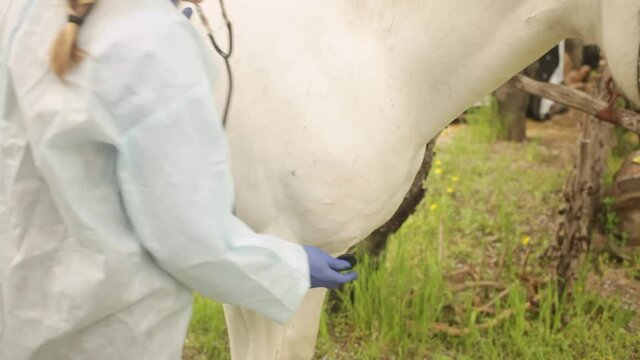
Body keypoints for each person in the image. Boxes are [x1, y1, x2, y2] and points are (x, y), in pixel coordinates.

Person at [0, 0, 357, 359]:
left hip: (21, 310)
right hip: (108, 332)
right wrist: (291, 267)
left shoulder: (27, 7)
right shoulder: (154, 43)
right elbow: (189, 242)